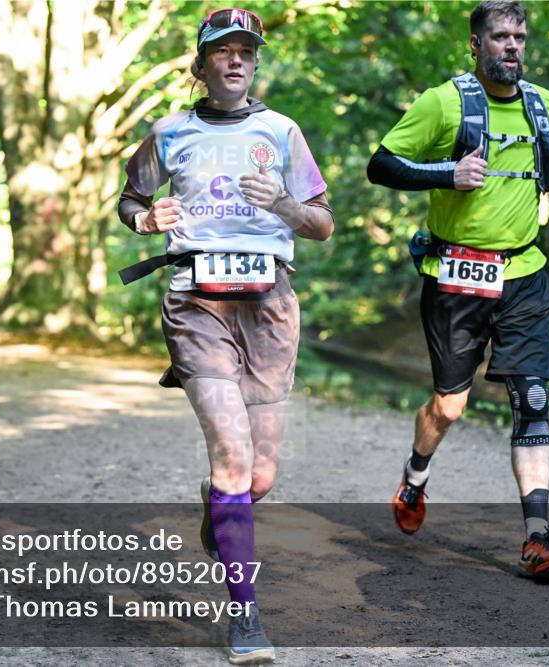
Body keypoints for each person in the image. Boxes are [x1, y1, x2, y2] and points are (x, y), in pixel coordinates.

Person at [119, 8, 334, 663]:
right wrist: (144, 218)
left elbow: (323, 223)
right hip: (196, 305)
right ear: (202, 62)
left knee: (259, 476)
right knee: (235, 458)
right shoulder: (168, 132)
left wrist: (286, 206)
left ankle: (222, 506)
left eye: (246, 50)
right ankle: (245, 615)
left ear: (256, 61)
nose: (236, 60)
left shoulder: (283, 132)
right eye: (223, 50)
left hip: (270, 307)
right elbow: (130, 201)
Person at [366, 0, 549, 582]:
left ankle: (537, 537)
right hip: (456, 277)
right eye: (499, 37)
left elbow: (541, 171)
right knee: (450, 405)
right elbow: (380, 165)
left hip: (524, 274)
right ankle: (415, 477)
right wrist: (446, 173)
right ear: (476, 44)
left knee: (533, 399)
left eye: (519, 36)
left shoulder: (544, 104)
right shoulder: (445, 102)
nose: (511, 46)